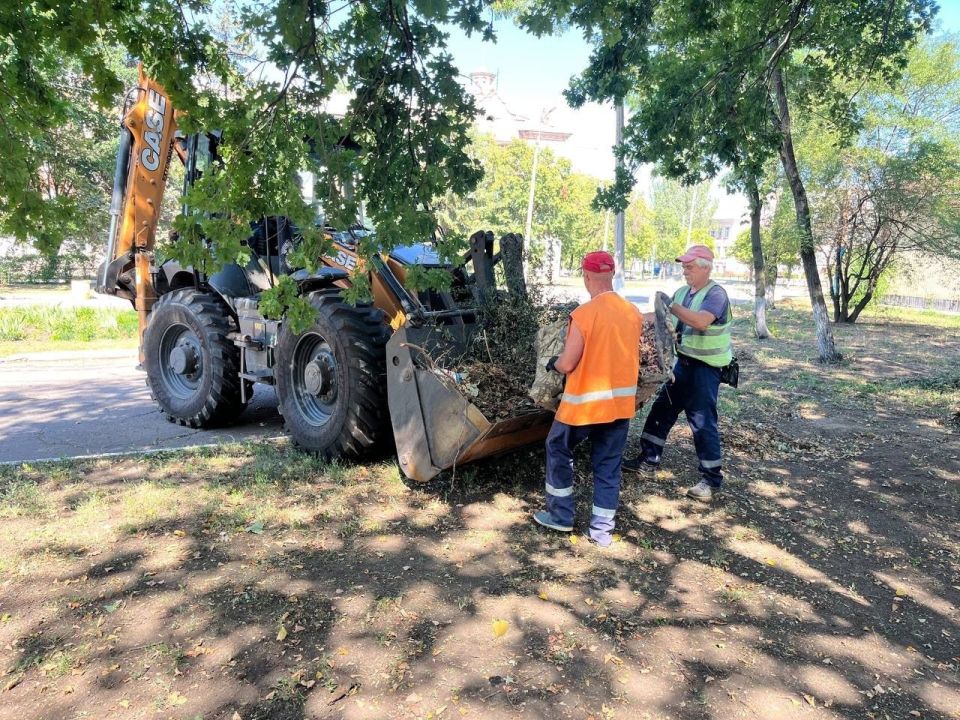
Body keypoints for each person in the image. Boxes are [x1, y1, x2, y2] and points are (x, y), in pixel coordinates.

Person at [533, 250, 644, 547]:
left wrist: (553, 362)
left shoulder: (584, 314)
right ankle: (602, 532)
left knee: (558, 447)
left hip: (584, 406)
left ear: (586, 276)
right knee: (608, 466)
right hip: (619, 406)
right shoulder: (632, 312)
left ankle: (560, 516)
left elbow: (569, 363)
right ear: (612, 274)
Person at [623, 244, 732, 502]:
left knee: (702, 421)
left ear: (705, 268)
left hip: (706, 369)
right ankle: (648, 460)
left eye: (689, 266)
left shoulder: (716, 294)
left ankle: (710, 479)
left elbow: (700, 321)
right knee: (662, 411)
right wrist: (628, 317)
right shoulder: (682, 292)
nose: (685, 271)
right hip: (682, 365)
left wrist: (670, 306)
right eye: (684, 266)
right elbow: (663, 318)